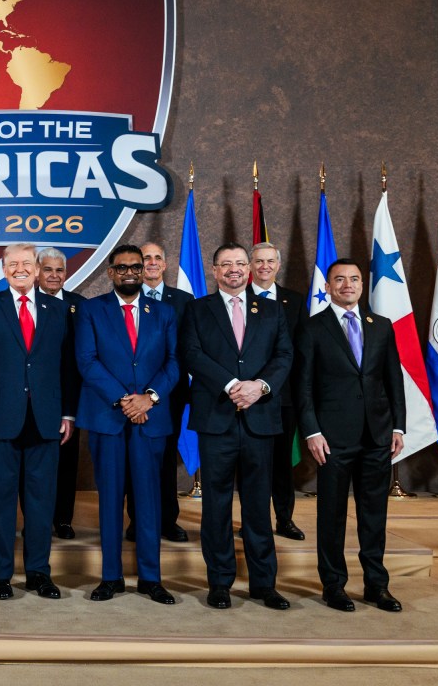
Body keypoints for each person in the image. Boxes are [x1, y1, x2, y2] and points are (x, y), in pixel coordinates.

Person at [178, 242, 293, 610]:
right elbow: (192, 354)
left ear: (250, 269)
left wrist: (259, 387)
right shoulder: (197, 309)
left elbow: (284, 355)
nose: (234, 270)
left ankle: (264, 584)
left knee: (259, 505)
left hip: (260, 419)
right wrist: (231, 386)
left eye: (240, 264)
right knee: (217, 506)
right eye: (225, 264)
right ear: (214, 271)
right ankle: (220, 583)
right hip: (217, 420)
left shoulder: (273, 311)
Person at [0, 242, 77, 600]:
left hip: (46, 421)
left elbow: (68, 368)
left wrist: (68, 412)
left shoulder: (57, 310)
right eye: (13, 263)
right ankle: (1, 575)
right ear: (4, 267)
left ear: (39, 268)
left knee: (42, 502)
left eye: (27, 263)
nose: (21, 269)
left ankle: (39, 573)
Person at [295, 259, 406, 612]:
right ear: (327, 286)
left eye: (354, 279)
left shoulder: (382, 327)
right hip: (331, 438)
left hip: (377, 436)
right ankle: (334, 585)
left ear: (362, 285)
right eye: (339, 279)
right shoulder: (312, 329)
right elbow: (304, 387)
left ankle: (377, 585)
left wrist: (398, 426)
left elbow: (394, 381)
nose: (347, 285)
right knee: (332, 515)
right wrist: (311, 430)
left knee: (374, 515)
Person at [75, 245, 179, 605]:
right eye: (123, 268)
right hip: (109, 418)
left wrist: (149, 397)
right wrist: (124, 400)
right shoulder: (91, 310)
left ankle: (151, 578)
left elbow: (173, 361)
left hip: (150, 419)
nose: (131, 272)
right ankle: (111, 577)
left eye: (137, 266)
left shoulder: (164, 312)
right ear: (111, 272)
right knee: (110, 501)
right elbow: (86, 361)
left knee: (149, 501)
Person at [126, 242, 191, 543]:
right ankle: (136, 521)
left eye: (157, 258)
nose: (151, 263)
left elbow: (185, 352)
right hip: (130, 397)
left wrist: (158, 391)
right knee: (133, 458)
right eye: (145, 258)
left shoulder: (184, 301)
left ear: (165, 265)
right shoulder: (125, 298)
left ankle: (167, 519)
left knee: (164, 459)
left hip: (169, 394)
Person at [249, 241, 307, 542]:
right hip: (246, 397)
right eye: (258, 261)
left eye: (270, 261)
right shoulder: (237, 299)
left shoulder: (295, 302)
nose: (264, 267)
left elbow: (301, 353)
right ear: (249, 266)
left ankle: (284, 519)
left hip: (283, 398)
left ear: (278, 265)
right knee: (253, 464)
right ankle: (253, 521)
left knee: (282, 463)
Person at [36, 246, 86, 540]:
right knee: (37, 465)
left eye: (59, 270)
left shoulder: (80, 305)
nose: (54, 275)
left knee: (67, 462)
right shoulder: (25, 304)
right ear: (37, 272)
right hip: (33, 397)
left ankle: (63, 519)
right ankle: (37, 520)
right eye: (48, 269)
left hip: (69, 397)